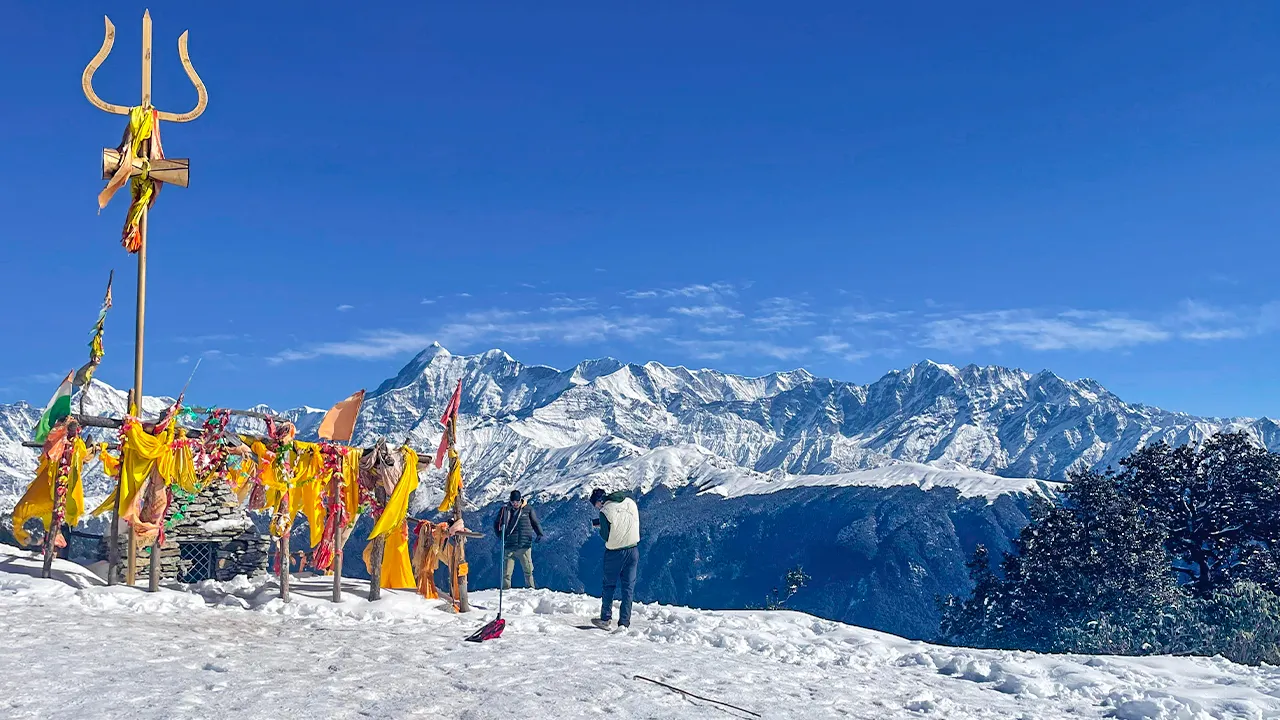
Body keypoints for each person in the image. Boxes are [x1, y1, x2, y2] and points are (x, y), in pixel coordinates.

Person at [589, 487, 640, 630]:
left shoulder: (605, 511)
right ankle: (624, 623)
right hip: (633, 550)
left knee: (609, 585)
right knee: (628, 588)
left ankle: (605, 619)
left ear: (599, 502)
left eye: (596, 505)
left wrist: (601, 524)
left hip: (615, 553)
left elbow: (605, 535)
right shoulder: (630, 502)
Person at [494, 490, 543, 590]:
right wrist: (500, 535)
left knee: (528, 570)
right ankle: (506, 590)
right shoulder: (505, 510)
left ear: (520, 499)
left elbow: (535, 523)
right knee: (506, 572)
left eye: (516, 501)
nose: (514, 504)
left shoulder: (528, 509)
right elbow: (496, 523)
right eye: (512, 502)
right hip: (509, 544)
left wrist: (539, 533)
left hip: (524, 545)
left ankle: (530, 589)